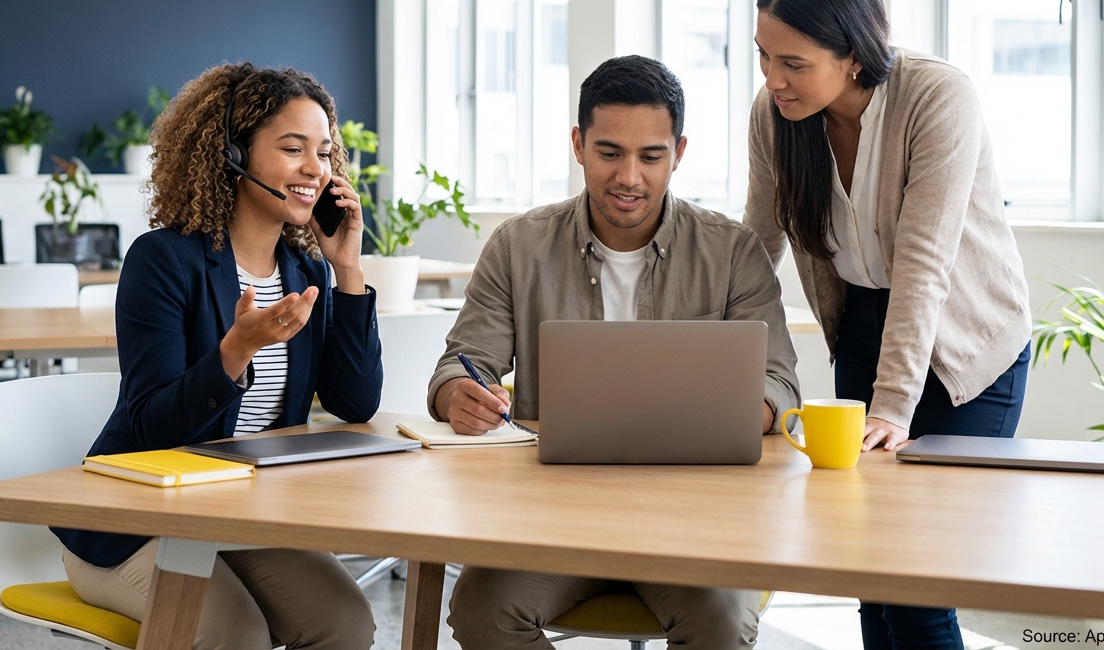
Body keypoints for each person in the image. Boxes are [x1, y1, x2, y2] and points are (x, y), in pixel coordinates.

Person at [430, 55, 800, 648]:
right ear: (578, 144)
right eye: (609, 153)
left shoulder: (732, 253)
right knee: (480, 609)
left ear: (678, 152)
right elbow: (461, 363)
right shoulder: (517, 247)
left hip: (694, 520)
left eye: (651, 156)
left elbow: (779, 382)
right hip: (555, 517)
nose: (630, 176)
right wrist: (459, 397)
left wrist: (744, 409)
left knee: (722, 623)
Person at [744, 0, 1033, 650]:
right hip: (866, 328)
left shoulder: (938, 97)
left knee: (917, 585)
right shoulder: (777, 114)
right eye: (763, 56)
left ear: (851, 54)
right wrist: (712, 361)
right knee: (871, 581)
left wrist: (892, 407)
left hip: (968, 347)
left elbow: (926, 266)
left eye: (793, 62)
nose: (773, 80)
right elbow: (756, 247)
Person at [52, 63, 382, 650]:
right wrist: (235, 352)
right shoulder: (161, 261)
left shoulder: (306, 271)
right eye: (292, 148)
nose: (316, 169)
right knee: (235, 634)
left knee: (345, 621)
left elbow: (354, 402)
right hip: (133, 521)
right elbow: (153, 424)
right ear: (231, 155)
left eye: (325, 153)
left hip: (240, 513)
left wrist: (349, 270)